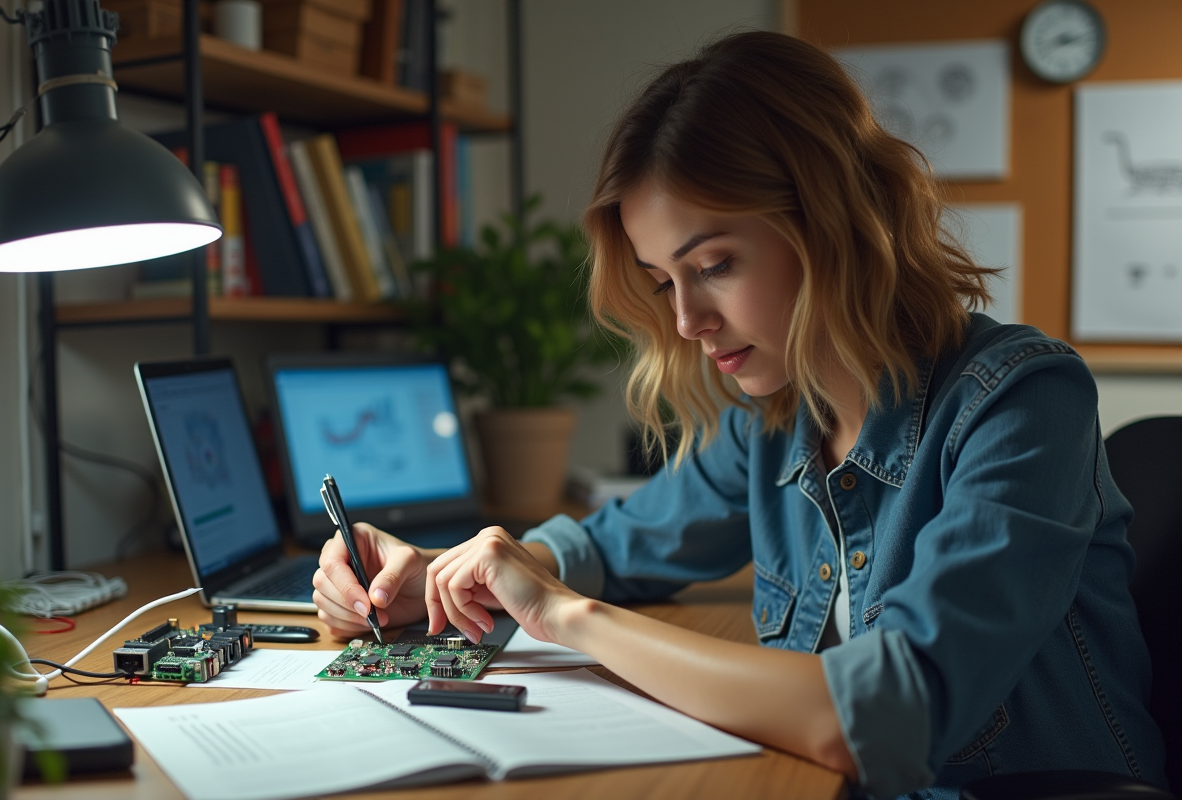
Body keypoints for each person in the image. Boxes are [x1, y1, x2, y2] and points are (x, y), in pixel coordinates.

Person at [312, 31, 1167, 799]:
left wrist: (564, 615)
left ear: (831, 222)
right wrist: (437, 578)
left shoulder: (1022, 400)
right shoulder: (775, 423)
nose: (686, 320)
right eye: (663, 281)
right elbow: (612, 546)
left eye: (715, 264)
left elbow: (891, 712)